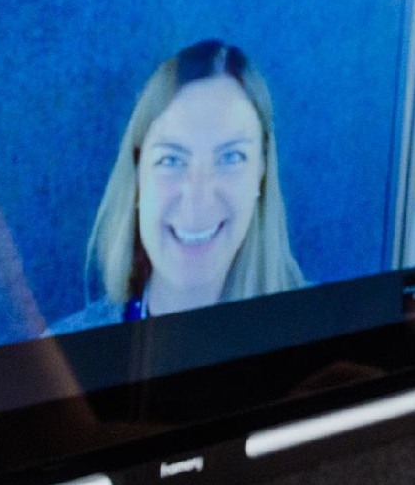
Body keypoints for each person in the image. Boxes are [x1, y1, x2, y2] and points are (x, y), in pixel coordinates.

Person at [54, 39, 305, 330]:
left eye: (231, 157)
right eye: (171, 160)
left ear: (261, 175)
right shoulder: (60, 349)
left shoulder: (322, 324)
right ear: (138, 178)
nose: (198, 199)